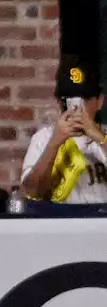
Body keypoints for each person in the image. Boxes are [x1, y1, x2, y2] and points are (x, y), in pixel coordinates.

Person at [20, 58, 107, 207]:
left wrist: (99, 137)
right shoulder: (44, 138)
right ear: (60, 103)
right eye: (69, 99)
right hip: (62, 222)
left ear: (99, 101)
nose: (77, 107)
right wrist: (54, 143)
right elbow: (33, 191)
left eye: (84, 99)